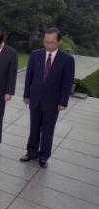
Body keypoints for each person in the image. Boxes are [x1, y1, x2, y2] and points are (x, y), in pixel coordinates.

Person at [20, 27, 75, 168]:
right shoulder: (35, 55)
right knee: (34, 128)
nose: (48, 45)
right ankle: (31, 152)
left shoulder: (67, 59)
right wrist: (26, 94)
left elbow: (67, 82)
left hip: (53, 101)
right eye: (46, 42)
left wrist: (63, 101)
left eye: (51, 42)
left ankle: (44, 156)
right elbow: (29, 77)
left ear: (59, 42)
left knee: (47, 130)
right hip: (35, 98)